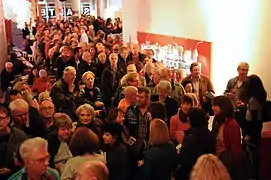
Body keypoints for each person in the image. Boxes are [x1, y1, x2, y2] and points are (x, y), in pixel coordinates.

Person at [174, 107, 216, 180]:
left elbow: (185, 161)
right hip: (209, 171)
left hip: (194, 173)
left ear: (190, 119)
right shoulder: (210, 134)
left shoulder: (190, 138)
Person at [212, 95, 247, 180]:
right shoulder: (217, 120)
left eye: (214, 105)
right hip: (217, 159)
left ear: (222, 107)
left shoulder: (232, 124)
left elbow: (235, 150)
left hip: (227, 164)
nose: (212, 107)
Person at [0, 104, 28, 179]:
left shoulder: (20, 136)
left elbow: (27, 161)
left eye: (1, 119)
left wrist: (12, 170)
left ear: (8, 119)